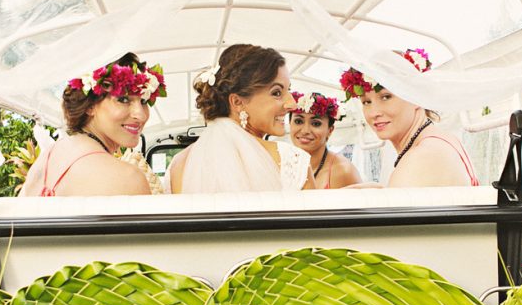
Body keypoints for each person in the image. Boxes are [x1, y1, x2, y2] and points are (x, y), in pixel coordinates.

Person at [168, 44, 312, 193]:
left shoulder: (179, 164)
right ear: (237, 102)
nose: (292, 104)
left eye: (288, 90)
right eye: (276, 93)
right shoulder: (292, 161)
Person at [20, 53, 166, 197]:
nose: (140, 115)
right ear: (90, 106)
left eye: (144, 101)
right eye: (123, 100)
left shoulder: (47, 159)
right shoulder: (128, 178)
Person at [340, 49, 478, 187]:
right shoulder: (437, 141)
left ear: (416, 96)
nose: (373, 113)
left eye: (386, 97)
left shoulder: (423, 157)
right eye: (366, 102)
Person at [289, 92, 362, 189]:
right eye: (298, 121)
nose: (305, 131)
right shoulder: (277, 164)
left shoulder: (343, 171)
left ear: (330, 130)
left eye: (315, 124)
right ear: (289, 124)